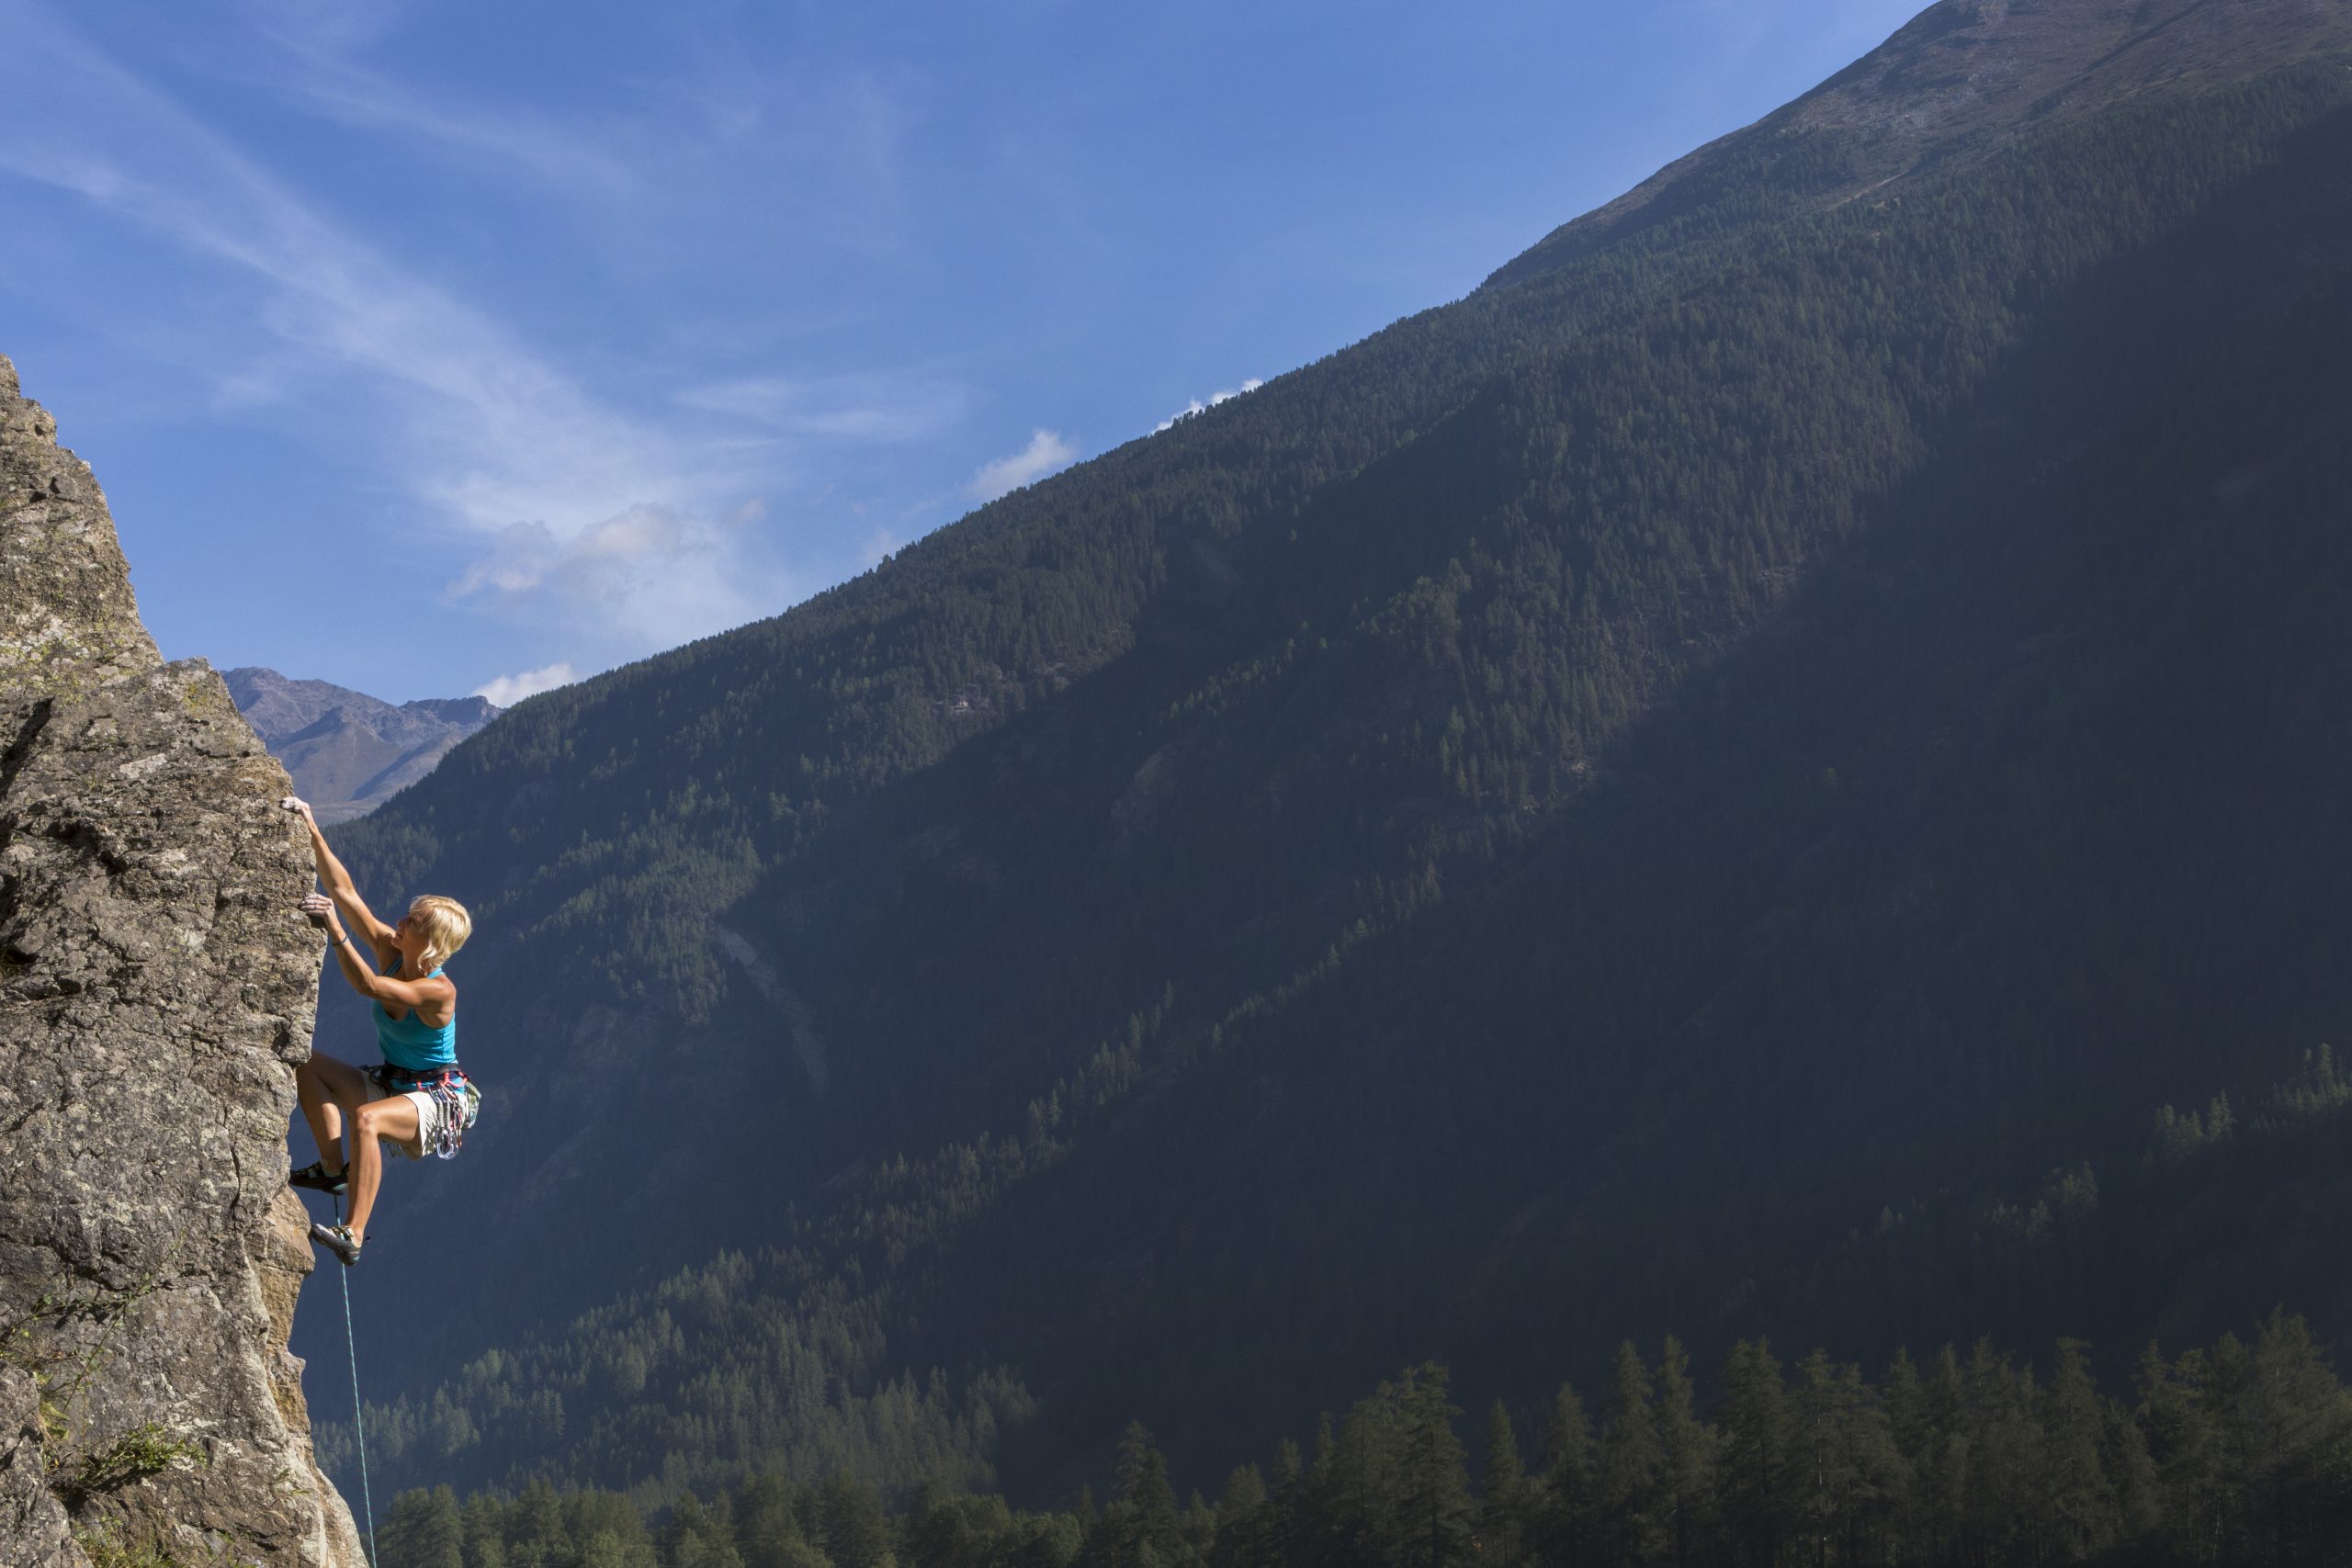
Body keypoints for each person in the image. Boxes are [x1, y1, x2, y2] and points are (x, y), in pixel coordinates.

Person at [281, 795, 481, 1266]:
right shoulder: (393, 949)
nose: (400, 921)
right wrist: (311, 827)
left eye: (412, 921)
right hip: (397, 1081)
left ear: (429, 944)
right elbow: (345, 892)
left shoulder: (439, 992)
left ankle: (352, 1233)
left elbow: (370, 986)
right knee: (305, 1063)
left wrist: (334, 930)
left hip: (439, 1098)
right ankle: (334, 1170)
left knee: (367, 1121)